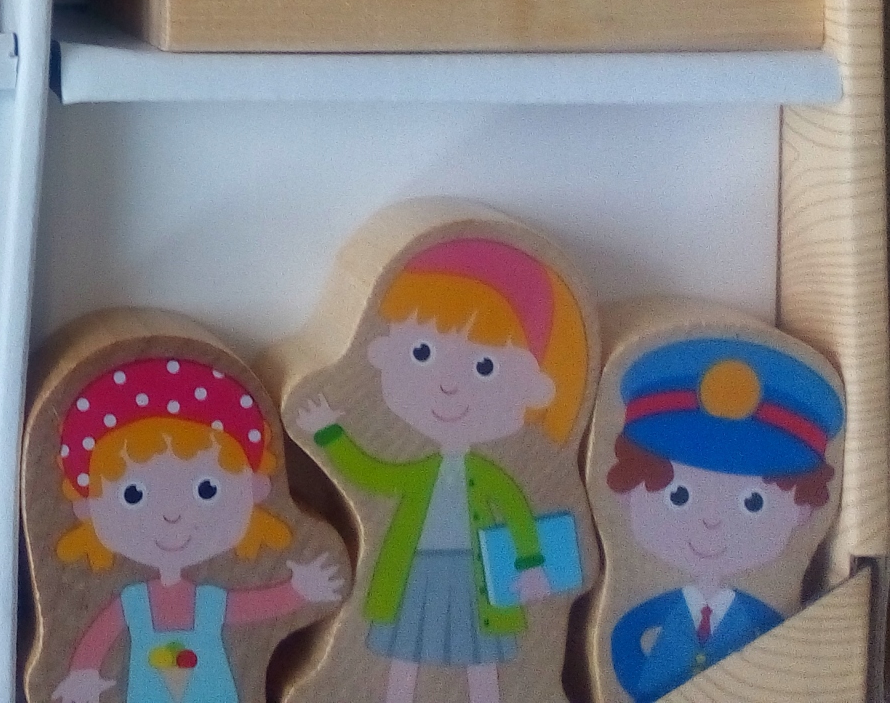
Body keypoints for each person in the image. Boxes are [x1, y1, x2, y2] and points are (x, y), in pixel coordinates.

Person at [291, 236, 588, 703]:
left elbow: (516, 513)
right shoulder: (419, 469)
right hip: (419, 574)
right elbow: (372, 473)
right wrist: (329, 433)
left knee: (482, 655)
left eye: (485, 366)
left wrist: (530, 564)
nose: (449, 384)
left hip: (474, 577)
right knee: (405, 651)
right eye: (423, 352)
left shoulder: (494, 474)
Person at [51, 353, 344, 703]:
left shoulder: (207, 601)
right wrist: (82, 675)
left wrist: (299, 592)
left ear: (255, 488)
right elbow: (98, 637)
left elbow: (251, 607)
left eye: (207, 489)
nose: (171, 515)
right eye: (133, 494)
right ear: (86, 507)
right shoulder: (135, 602)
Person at [603, 336, 841, 702]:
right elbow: (625, 636)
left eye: (753, 502)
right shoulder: (655, 605)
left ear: (803, 510)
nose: (711, 522)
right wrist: (642, 685)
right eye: (678, 495)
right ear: (627, 490)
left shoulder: (765, 614)